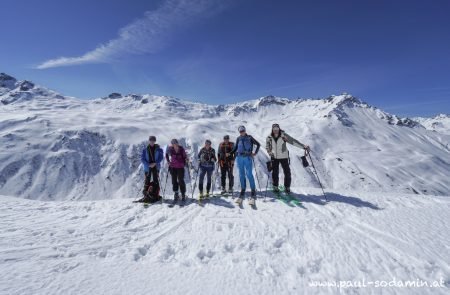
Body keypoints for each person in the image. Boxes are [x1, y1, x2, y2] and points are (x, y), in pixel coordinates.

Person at [266, 123, 310, 193]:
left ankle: (287, 187)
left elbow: (293, 141)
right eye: (274, 129)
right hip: (274, 157)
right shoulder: (269, 137)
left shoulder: (284, 136)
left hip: (284, 157)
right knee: (275, 173)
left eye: (277, 129)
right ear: (272, 129)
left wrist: (303, 146)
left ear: (279, 128)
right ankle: (275, 187)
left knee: (287, 173)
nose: (276, 130)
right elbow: (267, 146)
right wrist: (269, 152)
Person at [228, 125, 261, 203]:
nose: (242, 132)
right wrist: (230, 153)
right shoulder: (238, 138)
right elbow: (235, 148)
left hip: (247, 157)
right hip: (239, 158)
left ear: (245, 130)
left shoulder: (250, 137)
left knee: (249, 174)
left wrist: (255, 153)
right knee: (241, 174)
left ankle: (253, 189)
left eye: (243, 130)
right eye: (240, 131)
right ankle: (243, 189)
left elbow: (258, 144)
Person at [137, 135, 163, 202]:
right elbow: (142, 159)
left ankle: (155, 195)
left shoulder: (159, 149)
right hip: (148, 167)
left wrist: (155, 163)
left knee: (156, 181)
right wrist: (148, 164)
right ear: (149, 141)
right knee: (147, 181)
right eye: (151, 140)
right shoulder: (145, 150)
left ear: (155, 141)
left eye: (153, 140)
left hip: (155, 167)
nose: (152, 141)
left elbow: (161, 158)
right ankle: (146, 196)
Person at [165, 139, 188, 203]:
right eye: (173, 143)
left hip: (180, 167)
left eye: (175, 143)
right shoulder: (170, 149)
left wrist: (186, 160)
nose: (175, 144)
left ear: (177, 143)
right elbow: (166, 154)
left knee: (181, 180)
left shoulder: (181, 149)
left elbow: (185, 156)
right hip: (173, 167)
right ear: (172, 144)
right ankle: (176, 193)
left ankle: (183, 194)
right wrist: (168, 162)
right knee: (174, 181)